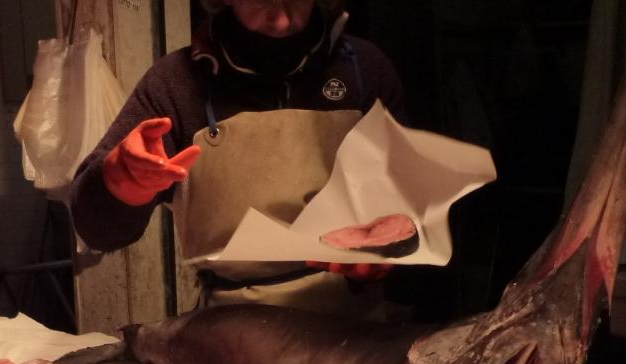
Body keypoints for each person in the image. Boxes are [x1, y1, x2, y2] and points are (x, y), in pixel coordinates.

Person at [69, 0, 405, 316]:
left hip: (354, 326)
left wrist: (392, 244)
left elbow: (408, 198)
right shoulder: (175, 84)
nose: (281, 20)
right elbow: (96, 230)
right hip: (230, 326)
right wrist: (121, 183)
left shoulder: (365, 70)